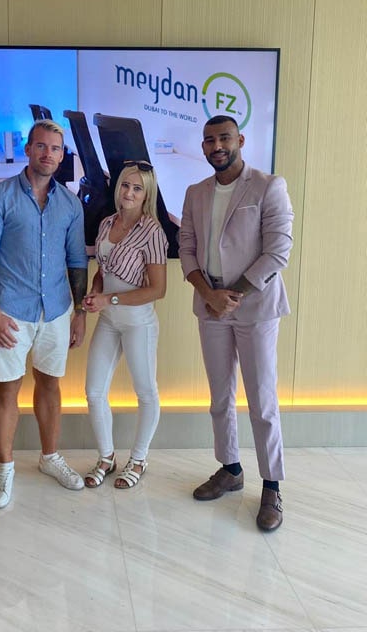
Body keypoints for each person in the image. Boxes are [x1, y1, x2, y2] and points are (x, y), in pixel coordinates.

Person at [179, 115, 293, 531]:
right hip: (211, 306)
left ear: (240, 140)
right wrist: (210, 295)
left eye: (224, 138)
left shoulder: (268, 186)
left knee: (262, 401)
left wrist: (234, 295)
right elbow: (186, 248)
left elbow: (278, 250)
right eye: (209, 140)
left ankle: (272, 486)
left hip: (255, 306)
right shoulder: (195, 192)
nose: (217, 146)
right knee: (220, 396)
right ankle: (230, 469)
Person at [0, 119, 89, 509]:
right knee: (7, 389)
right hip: (11, 312)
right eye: (41, 146)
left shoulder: (70, 204)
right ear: (27, 149)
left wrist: (79, 313)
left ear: (61, 154)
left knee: (51, 384)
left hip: (55, 310)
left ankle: (49, 457)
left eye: (55, 149)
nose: (48, 154)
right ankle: (5, 466)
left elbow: (76, 260)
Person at [83, 160, 168, 489]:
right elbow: (102, 272)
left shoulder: (153, 232)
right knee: (93, 391)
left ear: (147, 194)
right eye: (125, 186)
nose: (129, 193)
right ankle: (106, 457)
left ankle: (139, 459)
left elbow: (157, 290)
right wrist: (95, 293)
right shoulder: (107, 223)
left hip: (138, 324)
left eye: (137, 188)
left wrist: (110, 300)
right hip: (108, 320)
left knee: (145, 392)